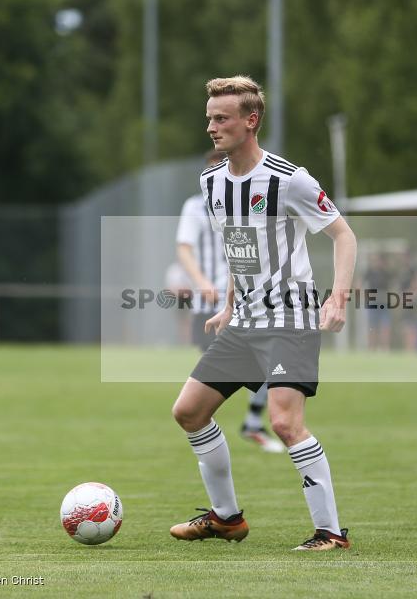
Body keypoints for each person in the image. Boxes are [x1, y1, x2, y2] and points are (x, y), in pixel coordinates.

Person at [169, 75, 357, 551]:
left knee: (284, 422)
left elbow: (343, 235)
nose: (211, 127)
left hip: (289, 317)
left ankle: (330, 533)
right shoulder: (211, 182)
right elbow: (241, 250)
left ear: (250, 121)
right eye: (209, 118)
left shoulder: (288, 179)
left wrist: (337, 298)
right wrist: (230, 306)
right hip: (245, 321)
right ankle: (227, 518)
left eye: (222, 118)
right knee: (189, 411)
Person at [175, 150, 284, 453]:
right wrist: (202, 283)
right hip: (210, 308)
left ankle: (249, 424)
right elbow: (183, 249)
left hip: (248, 304)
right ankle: (224, 427)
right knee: (230, 374)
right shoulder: (195, 207)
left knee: (268, 362)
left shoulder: (245, 202)